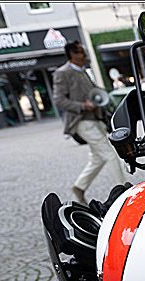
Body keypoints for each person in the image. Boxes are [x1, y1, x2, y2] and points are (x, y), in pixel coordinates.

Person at [53, 41, 124, 205]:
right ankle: (122, 191)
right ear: (72, 54)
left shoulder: (82, 71)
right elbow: (58, 100)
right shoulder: (63, 73)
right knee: (110, 155)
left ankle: (79, 187)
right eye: (80, 52)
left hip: (94, 119)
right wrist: (82, 106)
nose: (84, 55)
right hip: (81, 121)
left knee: (98, 158)